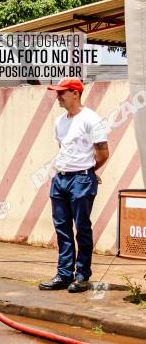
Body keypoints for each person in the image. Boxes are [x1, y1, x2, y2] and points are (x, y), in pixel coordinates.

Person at [39, 78, 109, 293]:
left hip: (81, 180)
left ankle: (81, 275)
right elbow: (64, 148)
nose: (58, 96)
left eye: (62, 92)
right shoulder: (60, 121)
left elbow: (103, 153)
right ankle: (63, 274)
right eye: (57, 92)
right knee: (62, 230)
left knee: (82, 228)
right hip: (60, 179)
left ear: (75, 93)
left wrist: (89, 171)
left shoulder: (92, 120)